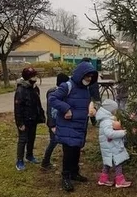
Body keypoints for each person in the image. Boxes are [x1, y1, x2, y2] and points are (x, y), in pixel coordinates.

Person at [49, 62, 98, 192]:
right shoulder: (67, 86)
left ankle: (74, 173)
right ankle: (65, 177)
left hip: (80, 126)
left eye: (91, 77)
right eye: (87, 76)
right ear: (80, 74)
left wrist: (92, 108)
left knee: (76, 151)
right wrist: (66, 109)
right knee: (69, 152)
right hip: (68, 126)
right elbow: (52, 99)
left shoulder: (85, 89)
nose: (89, 79)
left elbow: (86, 104)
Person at [14, 67, 45, 171]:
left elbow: (38, 103)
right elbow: (17, 108)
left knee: (32, 138)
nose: (35, 78)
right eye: (33, 76)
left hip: (33, 118)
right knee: (23, 139)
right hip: (24, 119)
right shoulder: (20, 90)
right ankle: (19, 160)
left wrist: (41, 115)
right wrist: (20, 123)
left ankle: (29, 155)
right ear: (28, 77)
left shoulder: (35, 88)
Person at [96, 99, 132, 188]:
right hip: (112, 147)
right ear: (110, 110)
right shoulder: (107, 121)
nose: (115, 111)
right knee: (118, 162)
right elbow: (109, 134)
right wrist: (123, 132)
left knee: (107, 163)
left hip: (109, 147)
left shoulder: (106, 119)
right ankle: (120, 181)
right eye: (114, 110)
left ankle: (103, 179)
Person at [41, 73, 70, 169]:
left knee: (59, 142)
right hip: (54, 122)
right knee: (53, 141)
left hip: (59, 122)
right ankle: (45, 162)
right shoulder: (54, 93)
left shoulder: (58, 92)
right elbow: (51, 111)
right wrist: (52, 125)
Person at [81, 57, 100, 126]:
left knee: (91, 106)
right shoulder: (87, 70)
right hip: (90, 92)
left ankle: (93, 120)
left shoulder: (89, 69)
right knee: (90, 106)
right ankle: (93, 120)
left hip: (92, 91)